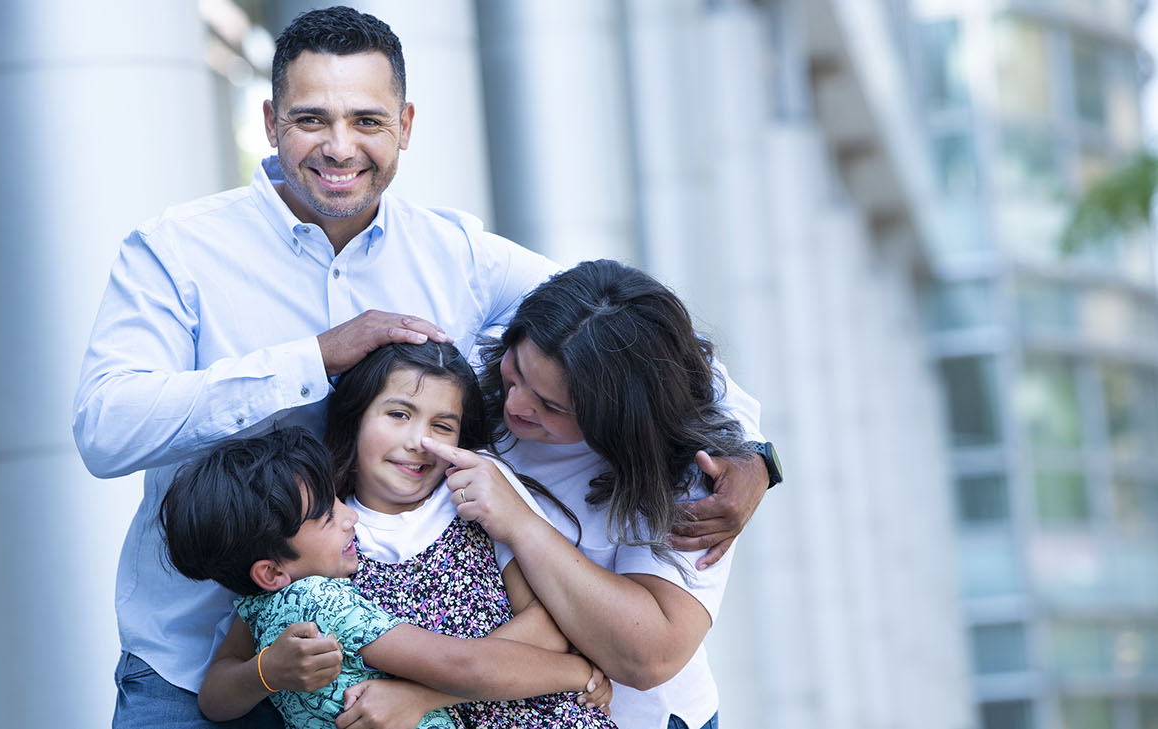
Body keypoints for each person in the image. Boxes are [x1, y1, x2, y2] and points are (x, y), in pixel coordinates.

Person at [72, 7, 770, 727]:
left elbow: (629, 337)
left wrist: (752, 456)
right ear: (270, 119)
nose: (340, 147)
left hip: (391, 669)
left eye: (368, 121)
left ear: (406, 124)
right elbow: (105, 427)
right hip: (198, 662)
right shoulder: (177, 250)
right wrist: (314, 358)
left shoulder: (456, 256)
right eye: (311, 119)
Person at [413, 260, 779, 729]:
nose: (516, 404)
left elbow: (651, 653)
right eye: (517, 371)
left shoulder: (692, 473)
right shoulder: (478, 376)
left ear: (619, 416)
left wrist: (520, 522)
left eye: (551, 405)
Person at [201, 340, 615, 729]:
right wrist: (266, 672)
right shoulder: (313, 535)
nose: (420, 441)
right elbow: (216, 694)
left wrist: (419, 696)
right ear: (357, 415)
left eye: (442, 425)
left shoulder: (474, 493)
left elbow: (550, 625)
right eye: (399, 414)